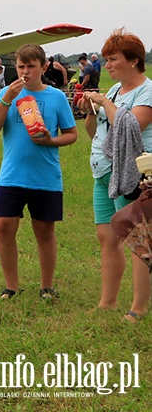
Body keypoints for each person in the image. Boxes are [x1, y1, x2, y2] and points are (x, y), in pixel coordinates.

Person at [0, 43, 78, 300]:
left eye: (31, 66)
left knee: (45, 231)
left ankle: (46, 287)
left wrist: (49, 141)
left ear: (44, 67)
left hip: (45, 176)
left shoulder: (56, 97)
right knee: (4, 226)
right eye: (21, 66)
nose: (25, 72)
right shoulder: (7, 93)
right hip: (12, 174)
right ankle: (11, 286)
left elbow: (72, 135)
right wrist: (5, 100)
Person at [78, 28, 152, 321]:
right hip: (104, 172)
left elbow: (132, 124)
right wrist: (89, 111)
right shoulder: (112, 91)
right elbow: (95, 133)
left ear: (133, 60)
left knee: (137, 240)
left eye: (113, 59)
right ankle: (107, 302)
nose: (106, 65)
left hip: (132, 175)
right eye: (106, 59)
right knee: (106, 236)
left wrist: (106, 104)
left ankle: (138, 308)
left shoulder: (147, 91)